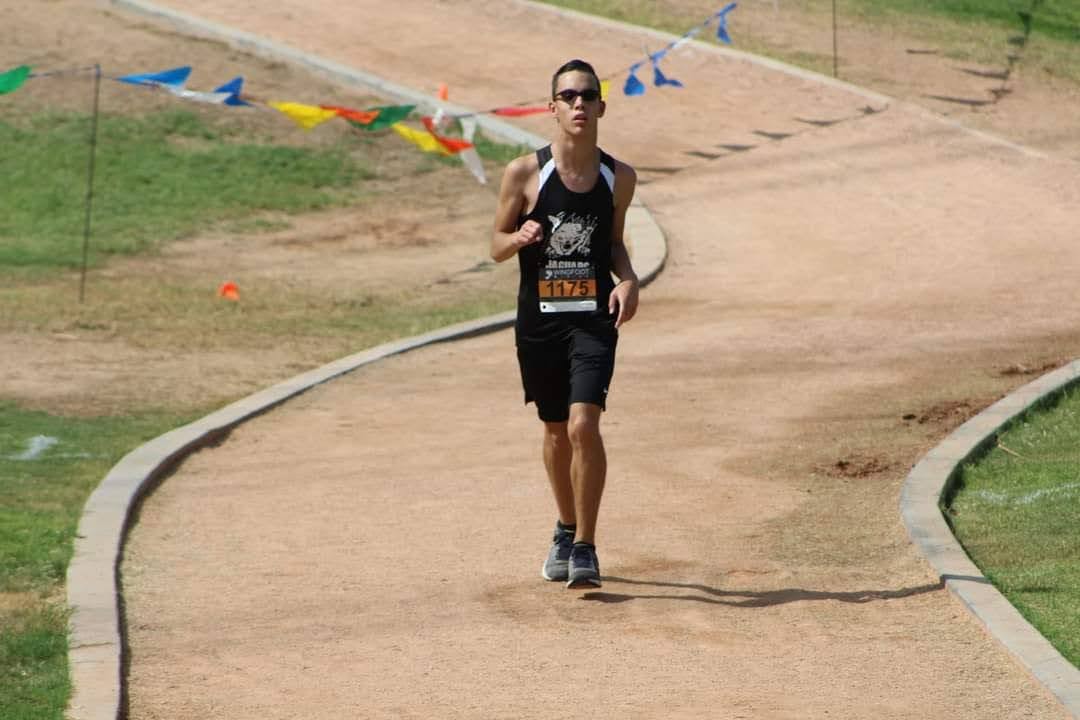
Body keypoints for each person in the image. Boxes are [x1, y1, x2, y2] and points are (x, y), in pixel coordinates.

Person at [490, 59, 639, 589]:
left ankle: (585, 548)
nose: (579, 104)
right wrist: (519, 239)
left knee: (583, 424)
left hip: (592, 322)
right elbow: (495, 246)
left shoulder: (618, 177)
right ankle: (565, 525)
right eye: (568, 96)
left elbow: (615, 242)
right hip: (539, 323)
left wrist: (628, 280)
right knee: (555, 430)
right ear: (551, 107)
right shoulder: (524, 173)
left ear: (601, 106)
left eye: (588, 95)